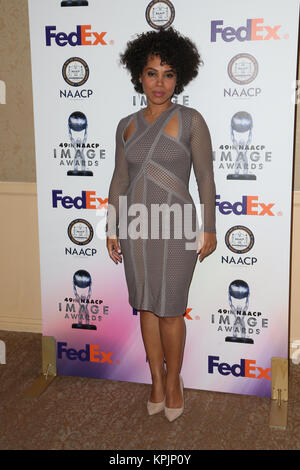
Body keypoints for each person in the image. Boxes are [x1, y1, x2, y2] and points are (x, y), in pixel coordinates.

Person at [106, 27, 217, 422]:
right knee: (146, 310)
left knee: (170, 310)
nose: (159, 82)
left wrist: (209, 227)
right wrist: (110, 226)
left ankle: (174, 382)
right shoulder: (126, 125)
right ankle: (156, 379)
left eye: (168, 74)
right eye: (152, 73)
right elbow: (119, 179)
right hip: (135, 227)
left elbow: (205, 176)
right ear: (139, 74)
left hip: (177, 226)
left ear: (179, 78)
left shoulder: (191, 120)